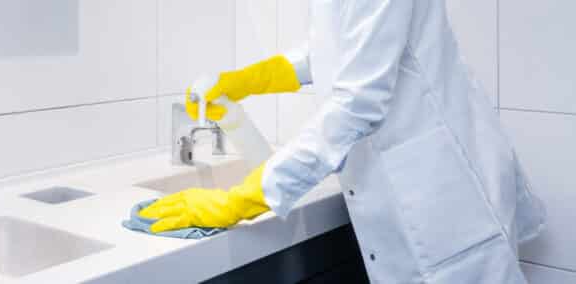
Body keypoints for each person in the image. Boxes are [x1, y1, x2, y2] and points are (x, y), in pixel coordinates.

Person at [139, 0, 547, 283]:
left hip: (443, 195)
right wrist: (248, 79)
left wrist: (243, 199)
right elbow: (331, 53)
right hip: (414, 186)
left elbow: (357, 103)